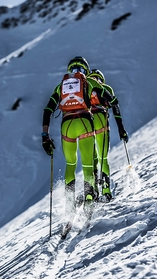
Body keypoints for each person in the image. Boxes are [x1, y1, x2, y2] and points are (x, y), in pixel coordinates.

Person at [41, 57, 114, 223]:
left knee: (70, 165)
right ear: (85, 70)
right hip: (85, 123)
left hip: (67, 125)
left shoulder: (61, 86)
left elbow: (47, 109)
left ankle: (69, 205)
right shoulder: (88, 82)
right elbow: (108, 97)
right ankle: (89, 196)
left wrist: (45, 136)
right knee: (88, 164)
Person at [86, 69, 128, 202]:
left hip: (86, 122)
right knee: (102, 157)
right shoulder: (106, 88)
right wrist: (121, 129)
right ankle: (106, 189)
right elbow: (115, 108)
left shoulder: (85, 88)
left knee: (90, 159)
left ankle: (91, 191)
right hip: (101, 121)